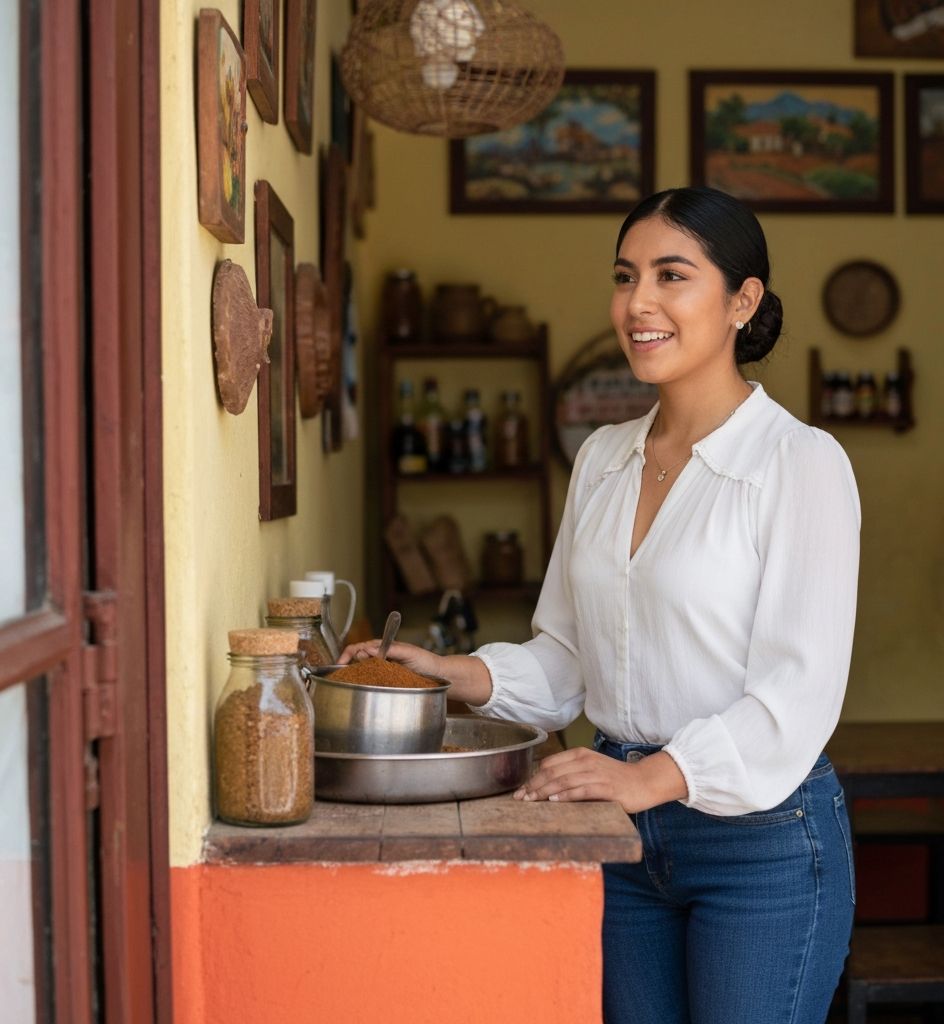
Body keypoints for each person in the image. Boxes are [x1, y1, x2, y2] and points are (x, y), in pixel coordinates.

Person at [343, 186, 861, 1024]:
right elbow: (570, 656)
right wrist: (444, 673)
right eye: (625, 277)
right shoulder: (602, 460)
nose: (638, 303)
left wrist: (643, 778)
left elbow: (796, 698)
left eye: (671, 276)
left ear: (742, 301)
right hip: (617, 831)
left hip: (757, 844)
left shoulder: (800, 462)